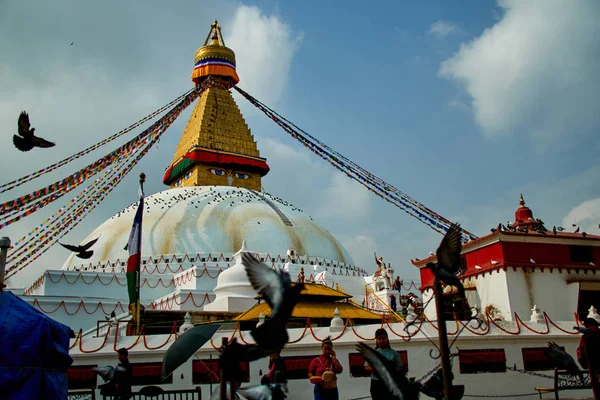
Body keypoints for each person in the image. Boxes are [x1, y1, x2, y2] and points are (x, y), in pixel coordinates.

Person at [364, 329, 404, 400]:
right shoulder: (373, 353)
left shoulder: (393, 353)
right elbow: (366, 367)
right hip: (376, 383)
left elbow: (400, 367)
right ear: (376, 340)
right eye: (379, 339)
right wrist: (379, 368)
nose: (382, 340)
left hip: (390, 383)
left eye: (384, 338)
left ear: (387, 339)